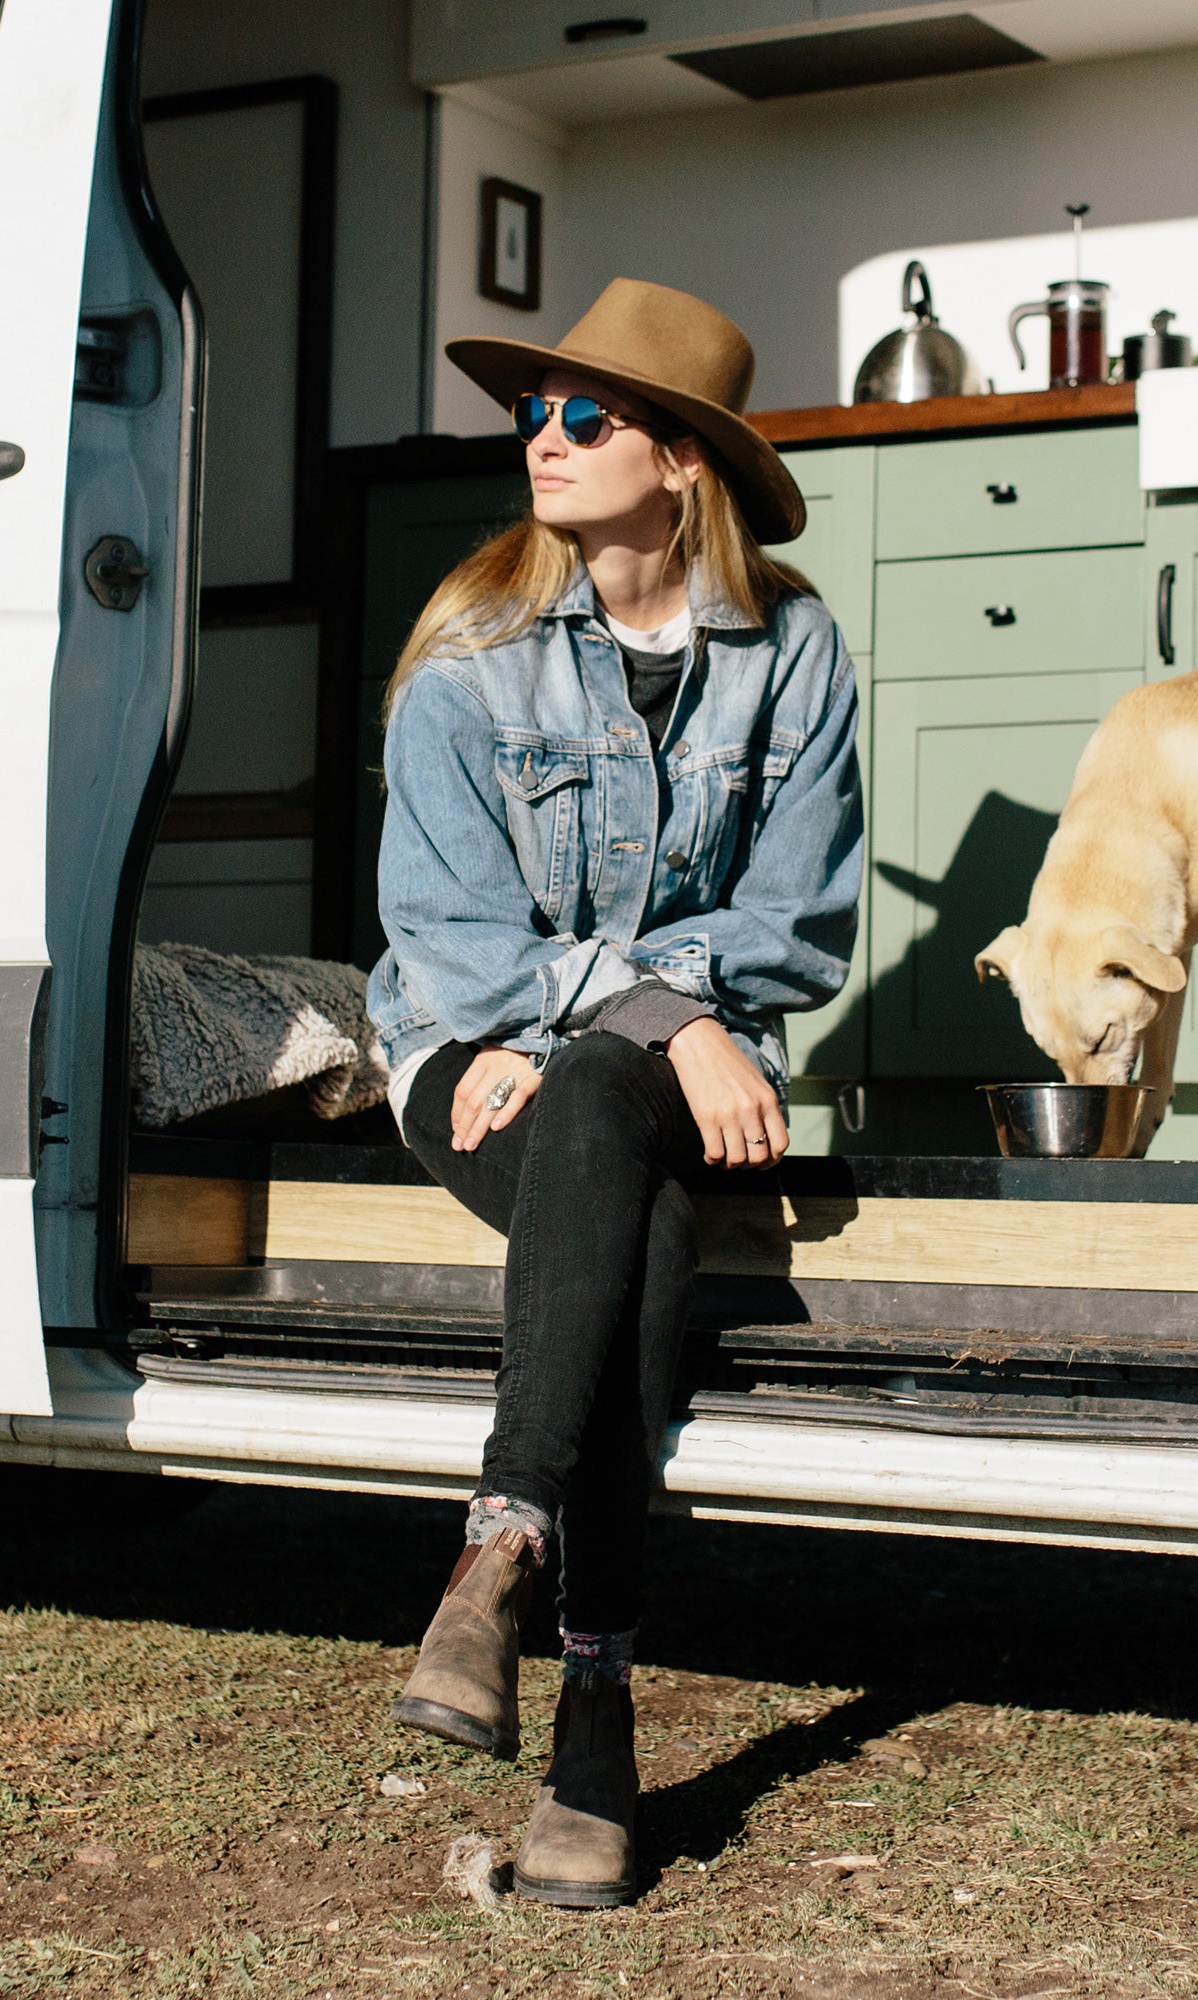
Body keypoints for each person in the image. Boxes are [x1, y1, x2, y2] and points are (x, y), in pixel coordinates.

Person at [366, 279, 863, 1908]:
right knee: (626, 1206)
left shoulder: (793, 652)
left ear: (684, 461)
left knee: (596, 1096)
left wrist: (619, 1018)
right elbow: (452, 941)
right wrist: (653, 1014)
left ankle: (501, 1548)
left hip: (649, 1077)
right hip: (468, 1056)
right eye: (535, 412)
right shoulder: (469, 658)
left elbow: (799, 927)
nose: (545, 438)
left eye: (588, 416)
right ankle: (596, 1714)